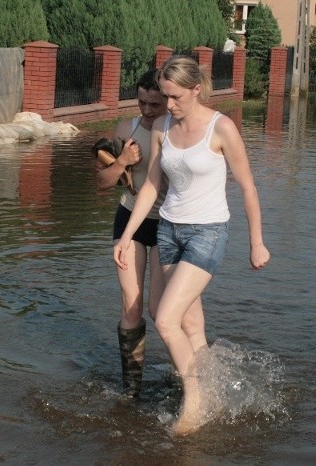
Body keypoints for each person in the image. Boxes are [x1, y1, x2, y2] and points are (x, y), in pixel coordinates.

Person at [113, 56, 270, 436]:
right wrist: (128, 235)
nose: (168, 105)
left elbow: (247, 186)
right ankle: (214, 390)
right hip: (169, 231)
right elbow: (150, 187)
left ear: (196, 89)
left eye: (175, 96)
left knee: (165, 319)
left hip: (208, 233)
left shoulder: (222, 128)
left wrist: (257, 242)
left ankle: (195, 401)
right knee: (190, 323)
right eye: (164, 96)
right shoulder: (163, 128)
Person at [96, 69, 168, 398]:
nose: (148, 110)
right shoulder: (128, 129)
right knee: (132, 306)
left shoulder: (179, 131)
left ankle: (186, 379)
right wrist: (122, 160)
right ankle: (132, 391)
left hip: (169, 223)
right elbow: (102, 183)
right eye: (141, 102)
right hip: (130, 219)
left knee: (164, 310)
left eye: (155, 104)